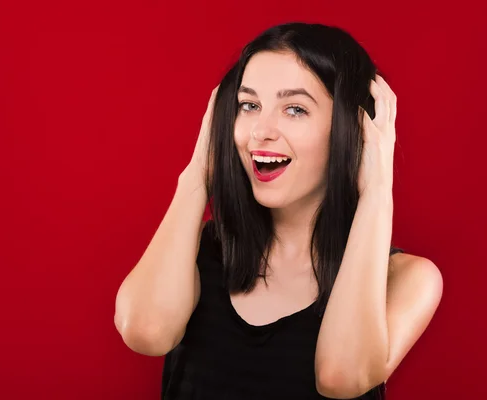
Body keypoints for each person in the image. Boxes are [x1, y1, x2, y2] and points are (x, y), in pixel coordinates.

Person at [114, 22, 443, 400]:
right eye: (249, 105)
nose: (260, 131)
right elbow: (144, 332)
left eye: (295, 109)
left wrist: (376, 191)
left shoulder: (407, 280)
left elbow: (342, 377)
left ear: (354, 131)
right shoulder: (198, 251)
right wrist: (198, 173)